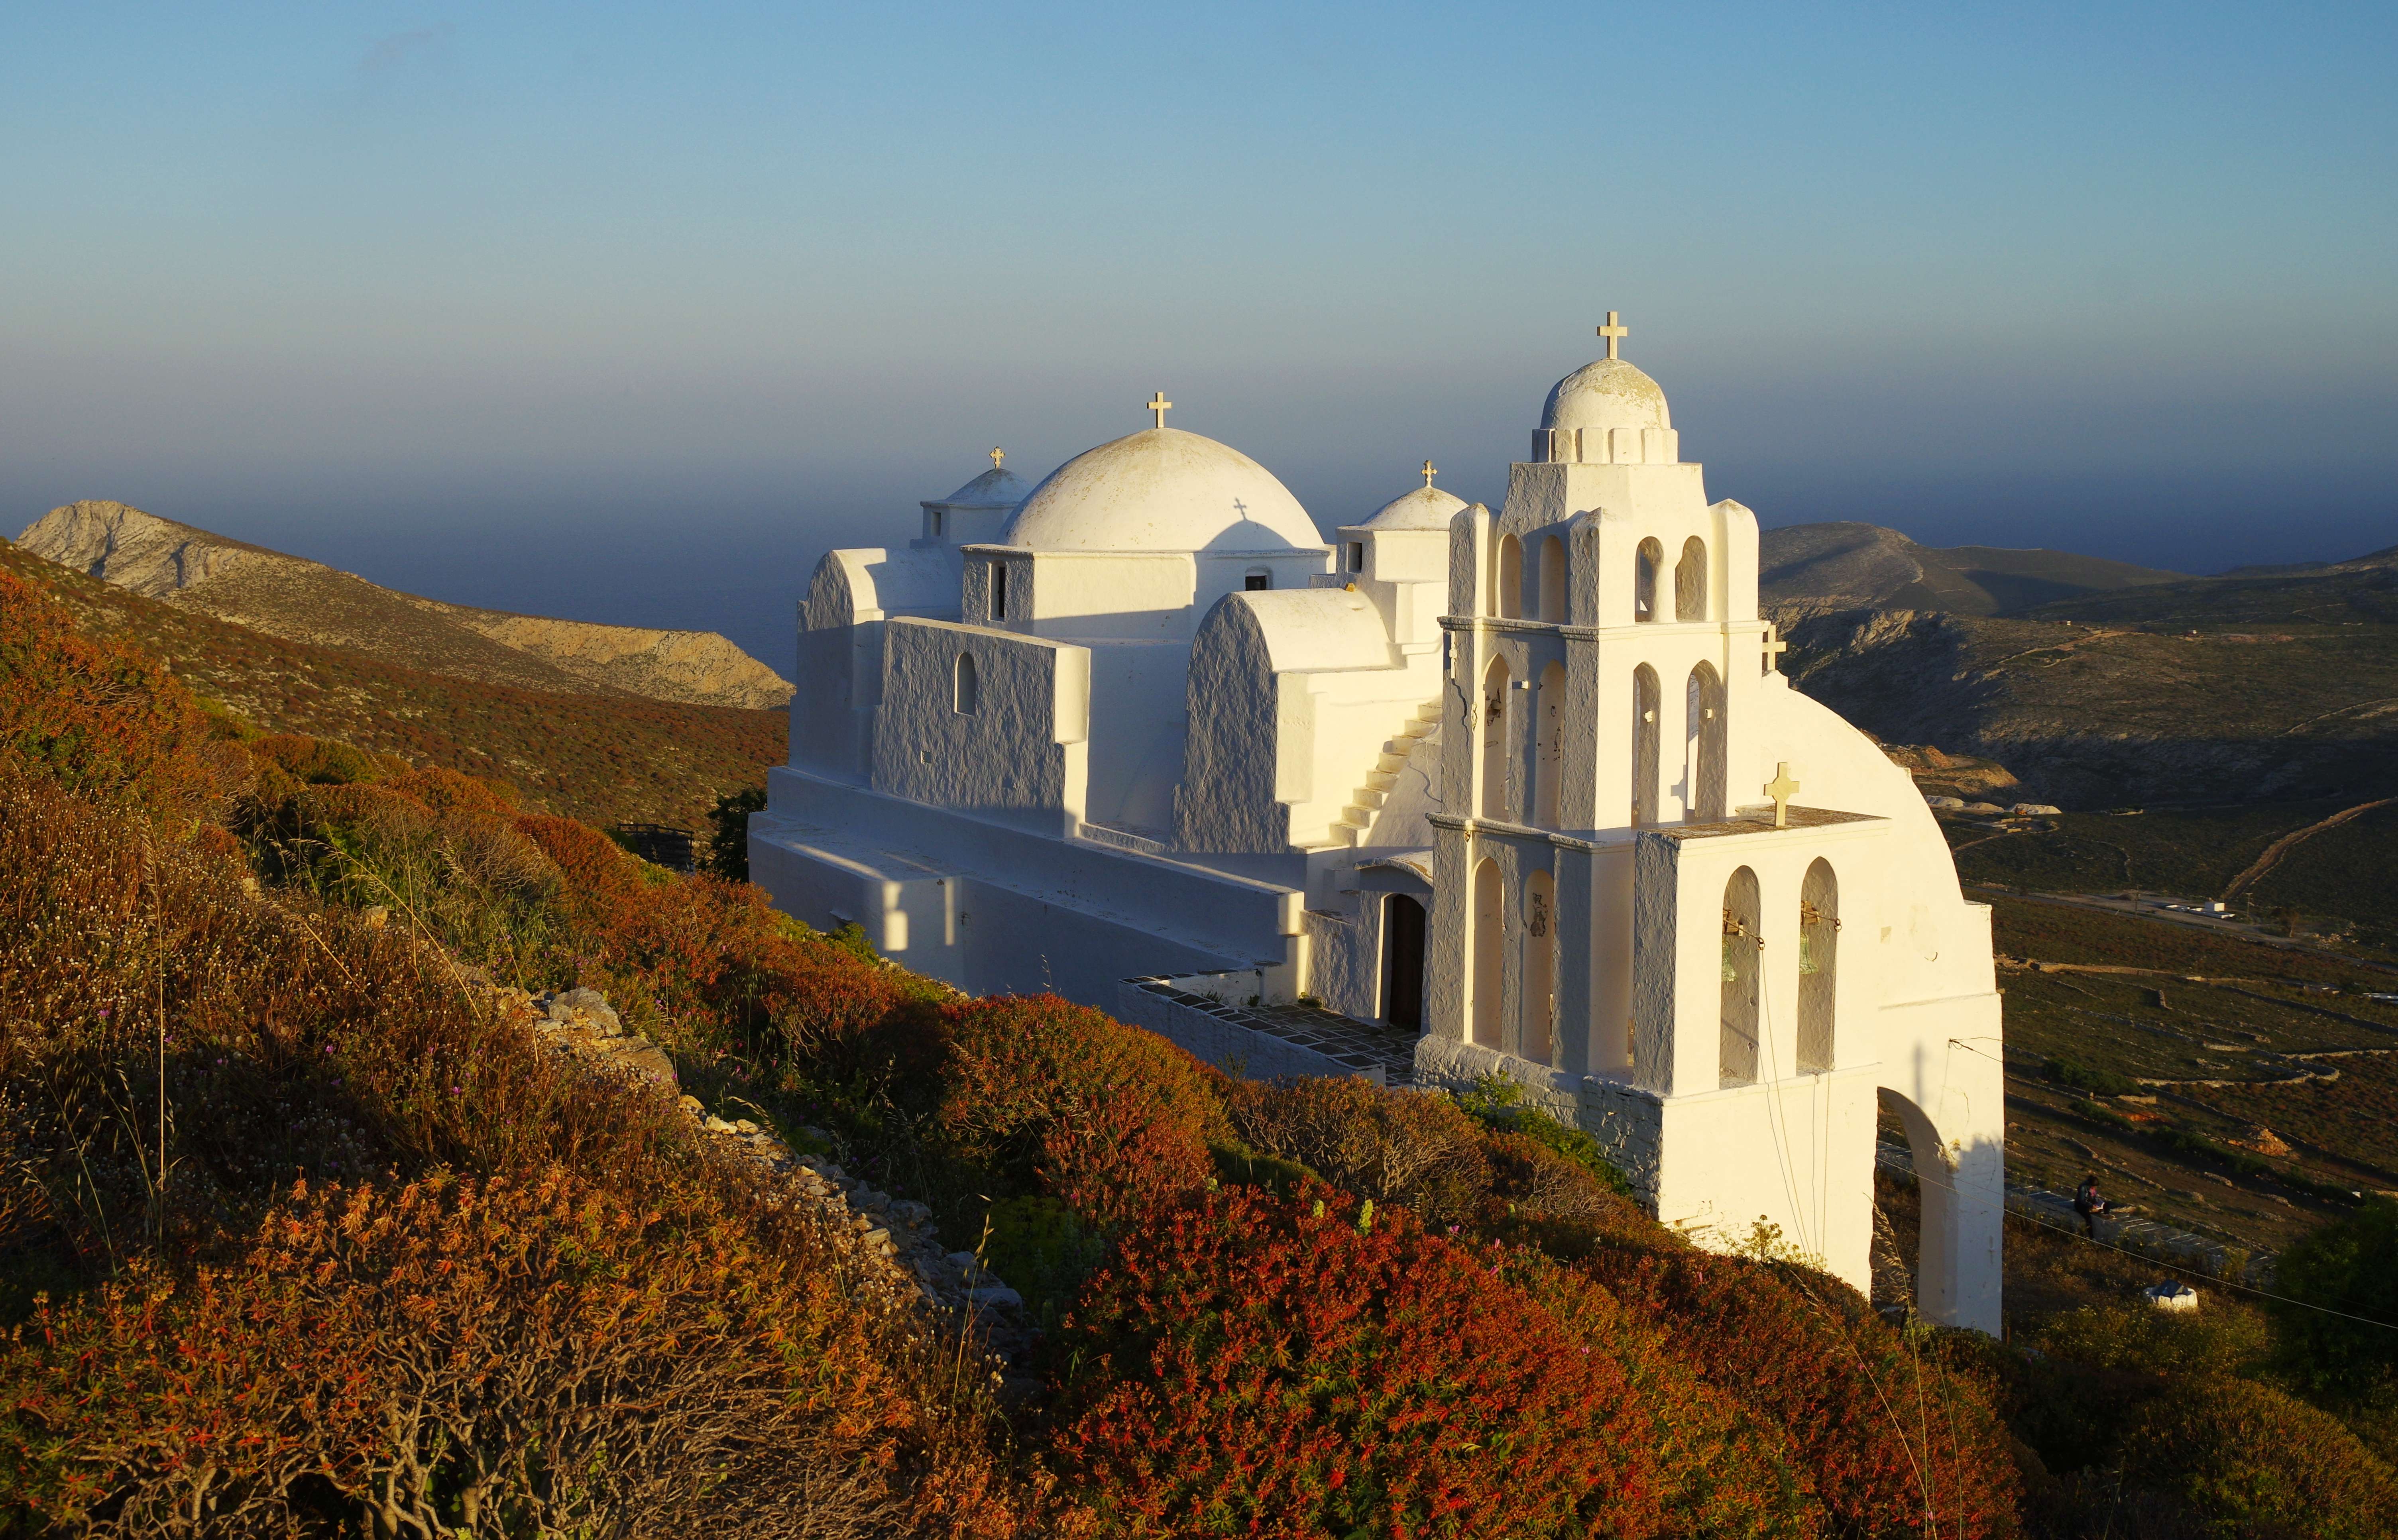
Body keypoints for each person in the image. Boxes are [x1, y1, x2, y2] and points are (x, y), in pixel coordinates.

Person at [2073, 1172, 2111, 1237]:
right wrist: (2091, 1205)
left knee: (2108, 1204)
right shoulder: (2083, 1187)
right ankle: (2091, 1236)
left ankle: (2105, 1215)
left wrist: (2099, 1203)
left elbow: (2095, 1197)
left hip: (2091, 1203)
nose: (2095, 1188)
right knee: (2088, 1218)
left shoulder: (2092, 1189)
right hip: (2081, 1205)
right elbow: (2082, 1200)